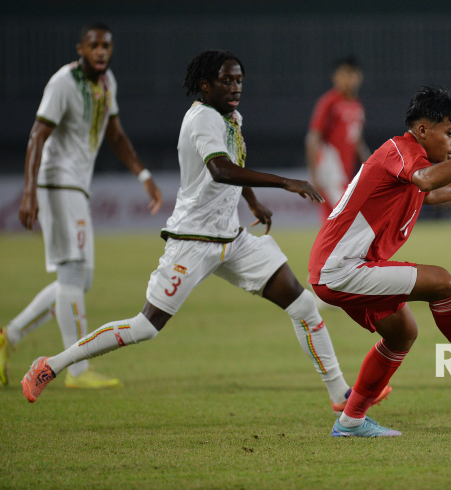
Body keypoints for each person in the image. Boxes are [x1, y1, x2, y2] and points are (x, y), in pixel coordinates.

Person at [21, 50, 390, 414]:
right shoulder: (201, 120)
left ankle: (340, 393)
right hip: (193, 241)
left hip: (233, 239)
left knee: (304, 304)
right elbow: (221, 170)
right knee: (146, 326)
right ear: (204, 85)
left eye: (239, 80)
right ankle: (51, 363)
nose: (235, 87)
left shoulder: (230, 117)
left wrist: (252, 202)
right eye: (226, 80)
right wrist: (284, 182)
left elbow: (235, 163)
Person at [309, 86, 451, 438]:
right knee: (442, 282)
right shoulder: (400, 149)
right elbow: (425, 180)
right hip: (342, 267)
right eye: (450, 132)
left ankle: (350, 422)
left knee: (402, 334)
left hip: (342, 269)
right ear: (423, 130)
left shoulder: (410, 164)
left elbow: (429, 191)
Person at [0, 23, 163, 390]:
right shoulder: (63, 83)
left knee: (76, 280)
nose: (101, 52)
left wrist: (144, 175)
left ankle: (8, 336)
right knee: (73, 276)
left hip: (76, 186)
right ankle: (75, 371)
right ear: (81, 49)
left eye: (106, 45)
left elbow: (115, 135)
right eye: (94, 46)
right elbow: (37, 135)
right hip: (57, 183)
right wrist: (28, 193)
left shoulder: (107, 84)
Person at [305, 55, 371, 222]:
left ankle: (328, 248)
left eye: (352, 74)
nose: (348, 79)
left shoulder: (357, 105)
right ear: (335, 76)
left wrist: (371, 165)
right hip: (329, 170)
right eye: (344, 74)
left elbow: (357, 142)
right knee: (346, 218)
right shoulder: (330, 102)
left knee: (334, 220)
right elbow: (313, 138)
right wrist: (313, 175)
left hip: (345, 172)